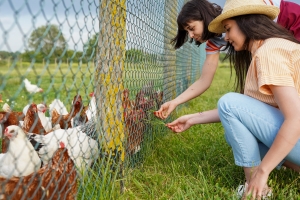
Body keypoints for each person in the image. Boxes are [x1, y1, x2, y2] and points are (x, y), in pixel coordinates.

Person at [167, 0, 300, 198]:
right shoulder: (263, 51)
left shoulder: (269, 52)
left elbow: (295, 118)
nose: (226, 38)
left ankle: (256, 188)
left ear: (246, 22)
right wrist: (192, 118)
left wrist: (262, 172)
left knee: (229, 102)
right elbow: (248, 112)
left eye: (228, 29)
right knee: (233, 132)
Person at [154, 0, 300, 120]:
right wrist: (175, 101)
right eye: (187, 32)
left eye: (191, 28)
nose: (191, 35)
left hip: (292, 22)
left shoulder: (240, 12)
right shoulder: (215, 42)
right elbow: (204, 80)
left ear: (204, 18)